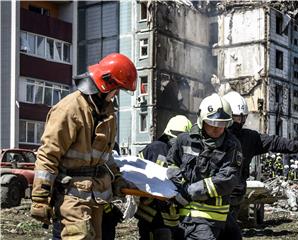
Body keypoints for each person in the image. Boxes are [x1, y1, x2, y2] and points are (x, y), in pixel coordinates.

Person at [30, 53, 137, 240]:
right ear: (106, 85)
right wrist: (40, 198)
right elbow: (48, 155)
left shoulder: (107, 113)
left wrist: (117, 179)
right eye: (117, 89)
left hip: (96, 197)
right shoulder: (70, 110)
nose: (117, 95)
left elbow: (105, 156)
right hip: (72, 197)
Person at [219, 91, 298, 240]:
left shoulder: (249, 138)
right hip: (214, 195)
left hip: (234, 197)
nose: (240, 121)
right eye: (237, 117)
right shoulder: (211, 137)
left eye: (243, 117)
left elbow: (275, 142)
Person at [167, 93, 242, 240]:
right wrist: (179, 185)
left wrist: (191, 191)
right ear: (201, 120)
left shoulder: (232, 145)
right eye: (212, 123)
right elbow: (170, 164)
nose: (217, 129)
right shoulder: (183, 140)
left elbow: (228, 178)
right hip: (187, 217)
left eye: (221, 124)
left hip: (218, 217)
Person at [136, 115, 192, 240]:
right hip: (152, 209)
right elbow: (136, 170)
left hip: (167, 213)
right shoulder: (155, 148)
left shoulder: (183, 155)